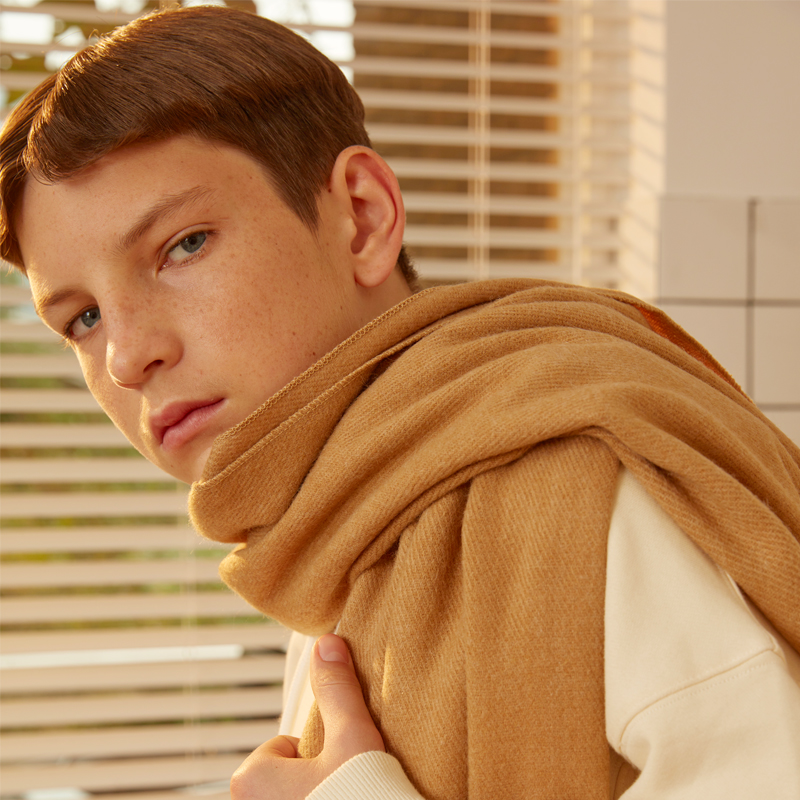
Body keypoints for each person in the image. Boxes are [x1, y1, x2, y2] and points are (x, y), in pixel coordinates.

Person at [1, 7, 799, 800]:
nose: (127, 356)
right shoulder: (339, 536)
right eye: (84, 318)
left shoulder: (580, 486)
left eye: (183, 246)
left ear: (361, 217)